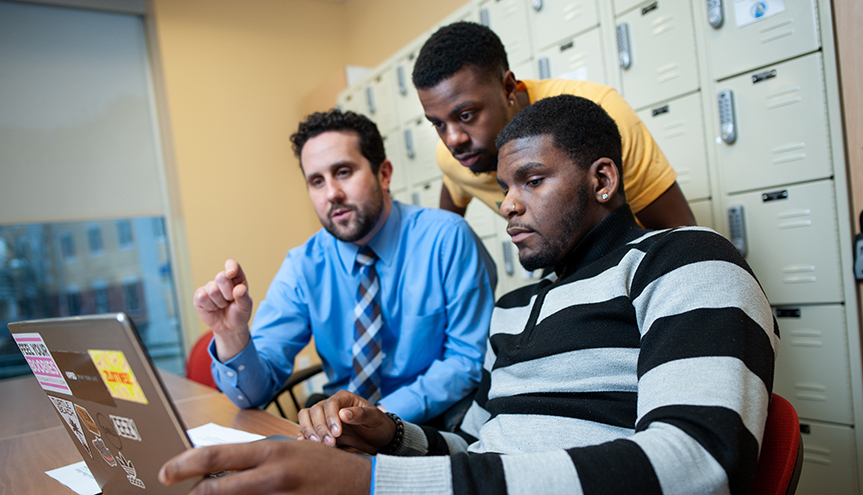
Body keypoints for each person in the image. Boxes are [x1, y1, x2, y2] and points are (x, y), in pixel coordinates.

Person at [161, 95, 777, 494]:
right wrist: (388, 436)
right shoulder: (516, 308)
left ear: (603, 180)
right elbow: (481, 443)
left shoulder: (687, 261)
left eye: (531, 181)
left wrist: (376, 481)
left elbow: (700, 463)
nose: (506, 204)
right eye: (503, 186)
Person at [193, 109, 494, 425]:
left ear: (384, 174)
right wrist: (231, 335)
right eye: (317, 181)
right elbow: (252, 395)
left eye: (344, 172)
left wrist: (377, 419)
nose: (331, 194)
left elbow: (466, 361)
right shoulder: (303, 265)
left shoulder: (446, 239)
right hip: (343, 430)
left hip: (428, 422)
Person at [415, 21, 696, 229]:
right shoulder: (456, 159)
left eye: (466, 115)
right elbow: (446, 228)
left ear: (509, 87)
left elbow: (681, 237)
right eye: (438, 124)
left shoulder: (598, 114)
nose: (453, 140)